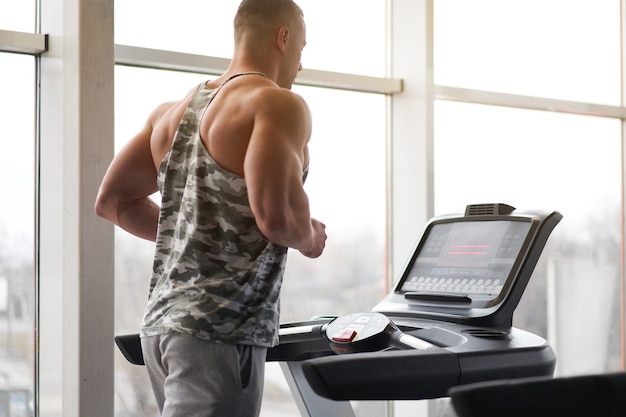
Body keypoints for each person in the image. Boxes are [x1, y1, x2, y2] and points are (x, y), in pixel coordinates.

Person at [94, 0, 327, 415]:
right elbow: (276, 218)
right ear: (283, 37)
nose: (300, 65)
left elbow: (113, 202)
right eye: (302, 49)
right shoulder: (277, 104)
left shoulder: (171, 114)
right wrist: (310, 237)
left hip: (162, 327)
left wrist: (196, 231)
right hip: (218, 331)